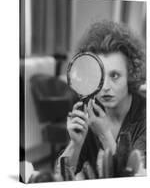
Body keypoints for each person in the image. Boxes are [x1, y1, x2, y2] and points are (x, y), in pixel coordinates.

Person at [55, 20, 146, 178]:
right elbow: (61, 177)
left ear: (130, 74)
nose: (105, 86)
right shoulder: (88, 109)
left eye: (115, 75)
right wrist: (75, 144)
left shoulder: (145, 116)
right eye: (99, 76)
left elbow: (137, 179)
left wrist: (104, 134)